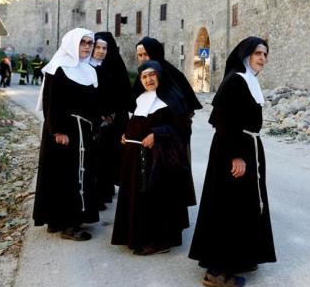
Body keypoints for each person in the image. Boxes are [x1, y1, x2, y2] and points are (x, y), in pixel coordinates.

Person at [188, 37, 276, 287]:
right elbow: (224, 122)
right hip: (234, 150)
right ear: (245, 54)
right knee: (228, 207)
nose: (262, 58)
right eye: (258, 53)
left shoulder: (249, 81)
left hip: (247, 146)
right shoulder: (235, 81)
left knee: (241, 206)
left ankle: (238, 259)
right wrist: (236, 155)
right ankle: (218, 272)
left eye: (265, 54)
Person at [111, 60, 196, 256]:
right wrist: (127, 133)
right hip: (136, 158)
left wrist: (158, 134)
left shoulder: (173, 98)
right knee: (137, 197)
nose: (148, 79)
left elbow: (182, 127)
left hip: (161, 160)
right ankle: (137, 236)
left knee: (158, 198)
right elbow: (137, 121)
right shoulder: (141, 98)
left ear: (159, 75)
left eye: (152, 75)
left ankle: (160, 241)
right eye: (144, 76)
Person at [33, 28, 100, 241]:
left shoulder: (89, 70)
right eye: (83, 42)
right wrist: (58, 130)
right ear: (72, 43)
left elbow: (92, 104)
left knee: (79, 175)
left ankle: (61, 219)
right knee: (64, 176)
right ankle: (68, 224)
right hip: (64, 134)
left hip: (83, 133)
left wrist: (97, 124)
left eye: (90, 43)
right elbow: (51, 102)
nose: (88, 47)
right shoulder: (58, 69)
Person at [90, 32, 132, 208]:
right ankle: (98, 194)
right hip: (95, 120)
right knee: (96, 158)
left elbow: (124, 94)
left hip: (115, 120)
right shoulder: (87, 66)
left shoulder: (116, 65)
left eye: (104, 48)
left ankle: (106, 190)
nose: (100, 51)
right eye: (97, 47)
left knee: (110, 156)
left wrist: (112, 113)